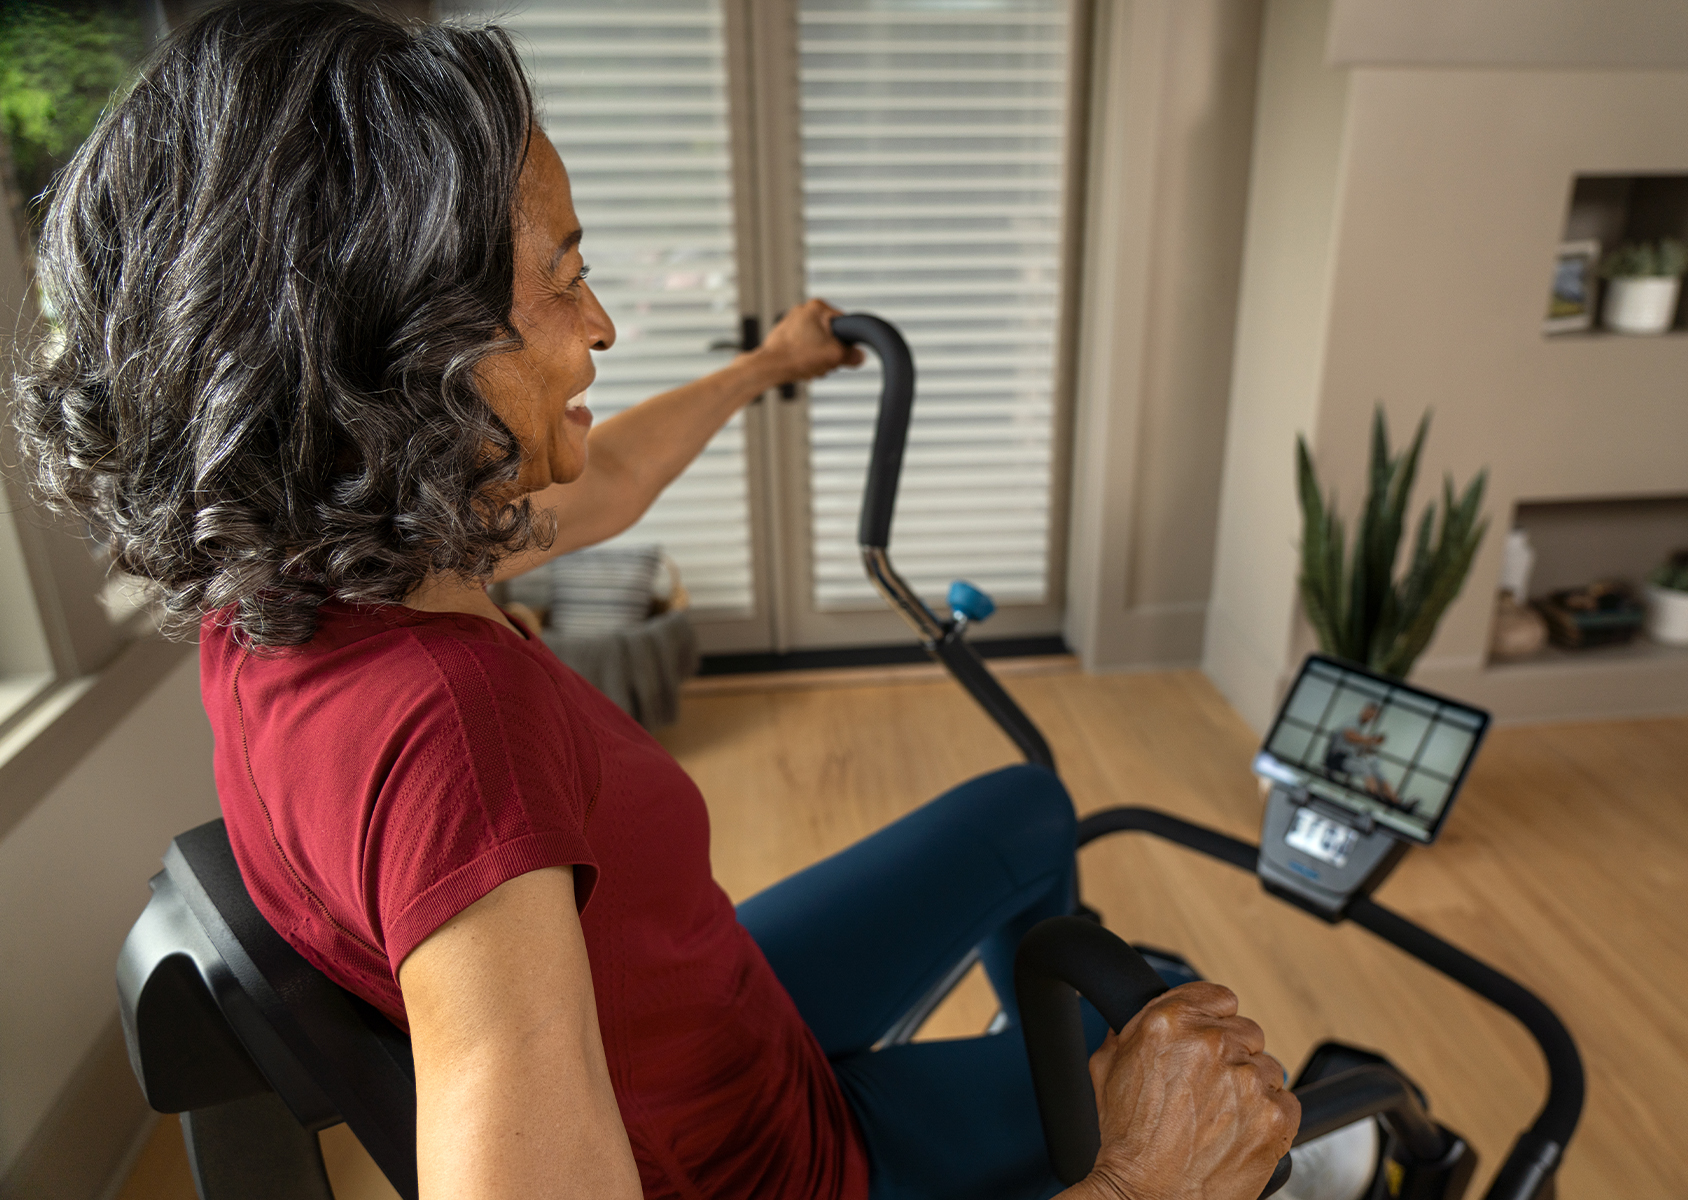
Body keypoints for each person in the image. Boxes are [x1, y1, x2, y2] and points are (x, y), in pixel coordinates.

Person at [13, 5, 1298, 1199]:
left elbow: (610, 475)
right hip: (780, 1161)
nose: (605, 324)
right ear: (396, 338)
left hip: (714, 1014)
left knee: (1026, 810)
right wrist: (1132, 1175)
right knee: (1184, 1026)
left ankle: (1039, 1075)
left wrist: (766, 366)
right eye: (560, 277)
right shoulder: (457, 732)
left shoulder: (312, 572)